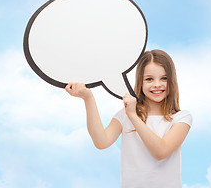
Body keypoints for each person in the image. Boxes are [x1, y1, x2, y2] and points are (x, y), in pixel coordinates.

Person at [65, 49, 192, 188]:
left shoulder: (181, 118)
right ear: (140, 81)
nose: (157, 84)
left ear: (172, 81)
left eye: (164, 78)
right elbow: (101, 141)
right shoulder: (124, 115)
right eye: (149, 79)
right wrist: (88, 98)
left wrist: (133, 115)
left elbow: (161, 152)